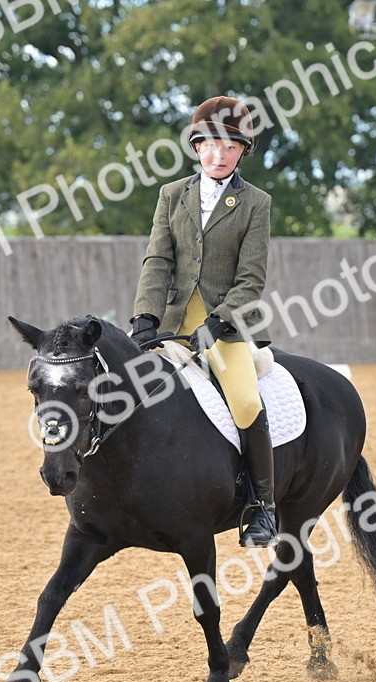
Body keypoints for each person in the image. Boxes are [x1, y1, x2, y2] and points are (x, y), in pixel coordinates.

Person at [128, 95, 278, 548]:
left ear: (242, 152)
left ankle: (262, 507)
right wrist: (144, 317)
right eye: (209, 145)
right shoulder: (171, 195)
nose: (218, 155)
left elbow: (251, 278)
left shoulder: (256, 203)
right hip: (173, 317)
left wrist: (218, 322)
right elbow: (158, 259)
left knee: (246, 402)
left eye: (229, 148)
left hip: (225, 324)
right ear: (196, 146)